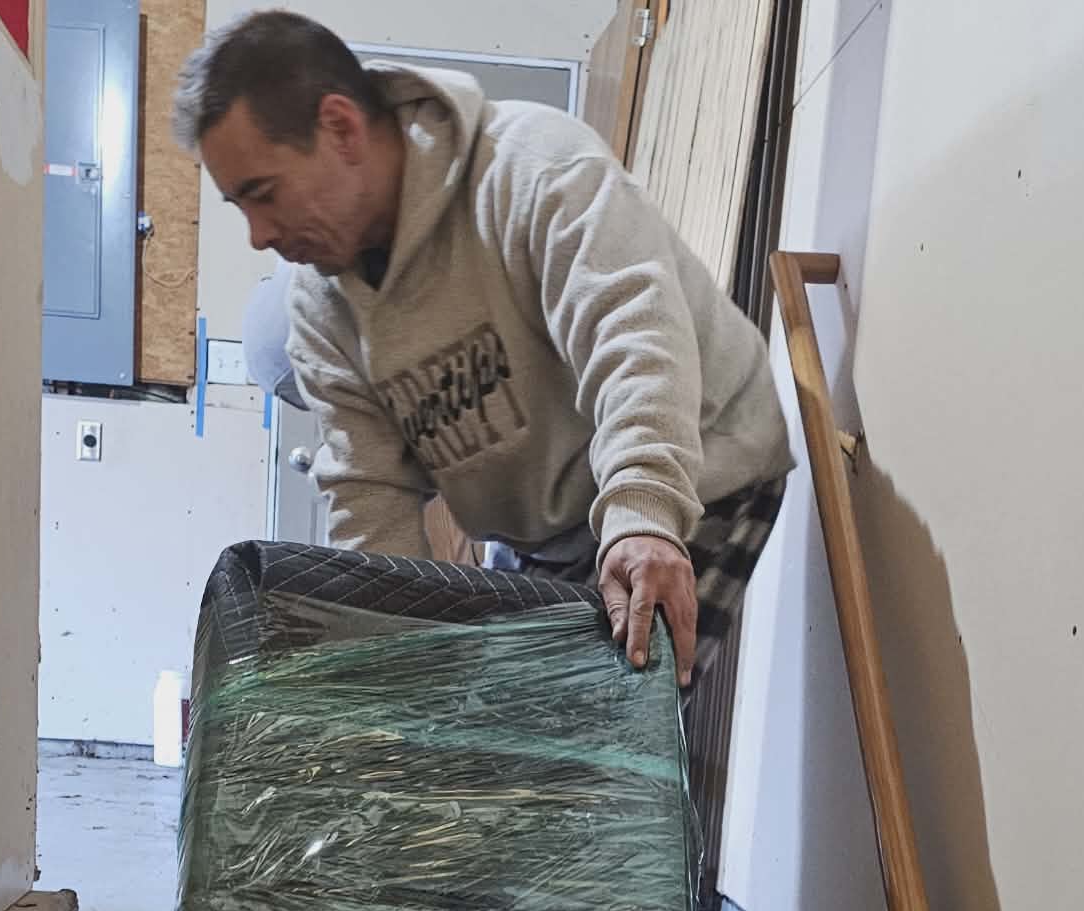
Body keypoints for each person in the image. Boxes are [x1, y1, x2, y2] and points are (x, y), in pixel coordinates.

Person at [178, 11, 793, 688]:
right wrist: (382, 651)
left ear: (342, 128)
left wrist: (644, 514)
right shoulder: (320, 304)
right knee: (485, 733)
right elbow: (368, 492)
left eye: (264, 194)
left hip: (697, 464)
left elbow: (632, 341)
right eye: (240, 206)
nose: (258, 235)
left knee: (597, 743)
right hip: (548, 522)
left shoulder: (533, 168)